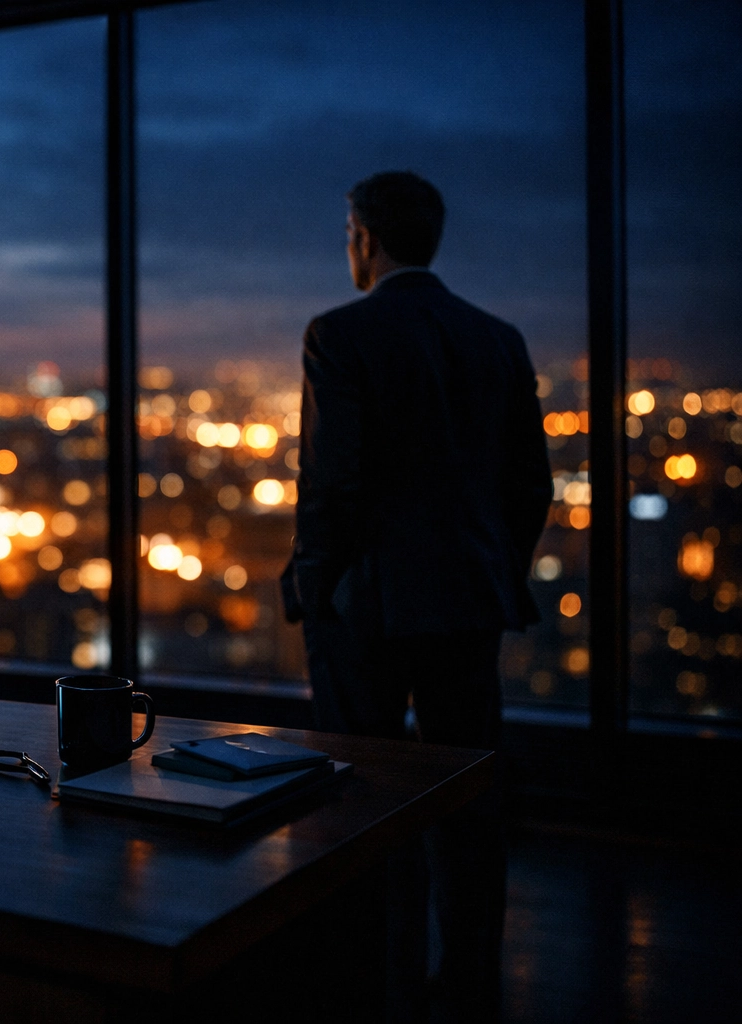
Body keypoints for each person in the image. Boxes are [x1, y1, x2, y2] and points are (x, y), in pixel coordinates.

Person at [283, 170, 553, 1022]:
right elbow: (530, 486)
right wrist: (490, 569)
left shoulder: (339, 333)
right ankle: (468, 978)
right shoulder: (498, 339)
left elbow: (335, 484)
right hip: (467, 602)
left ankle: (366, 974)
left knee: (358, 799)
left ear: (364, 235)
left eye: (347, 234)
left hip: (370, 608)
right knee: (468, 795)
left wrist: (311, 588)